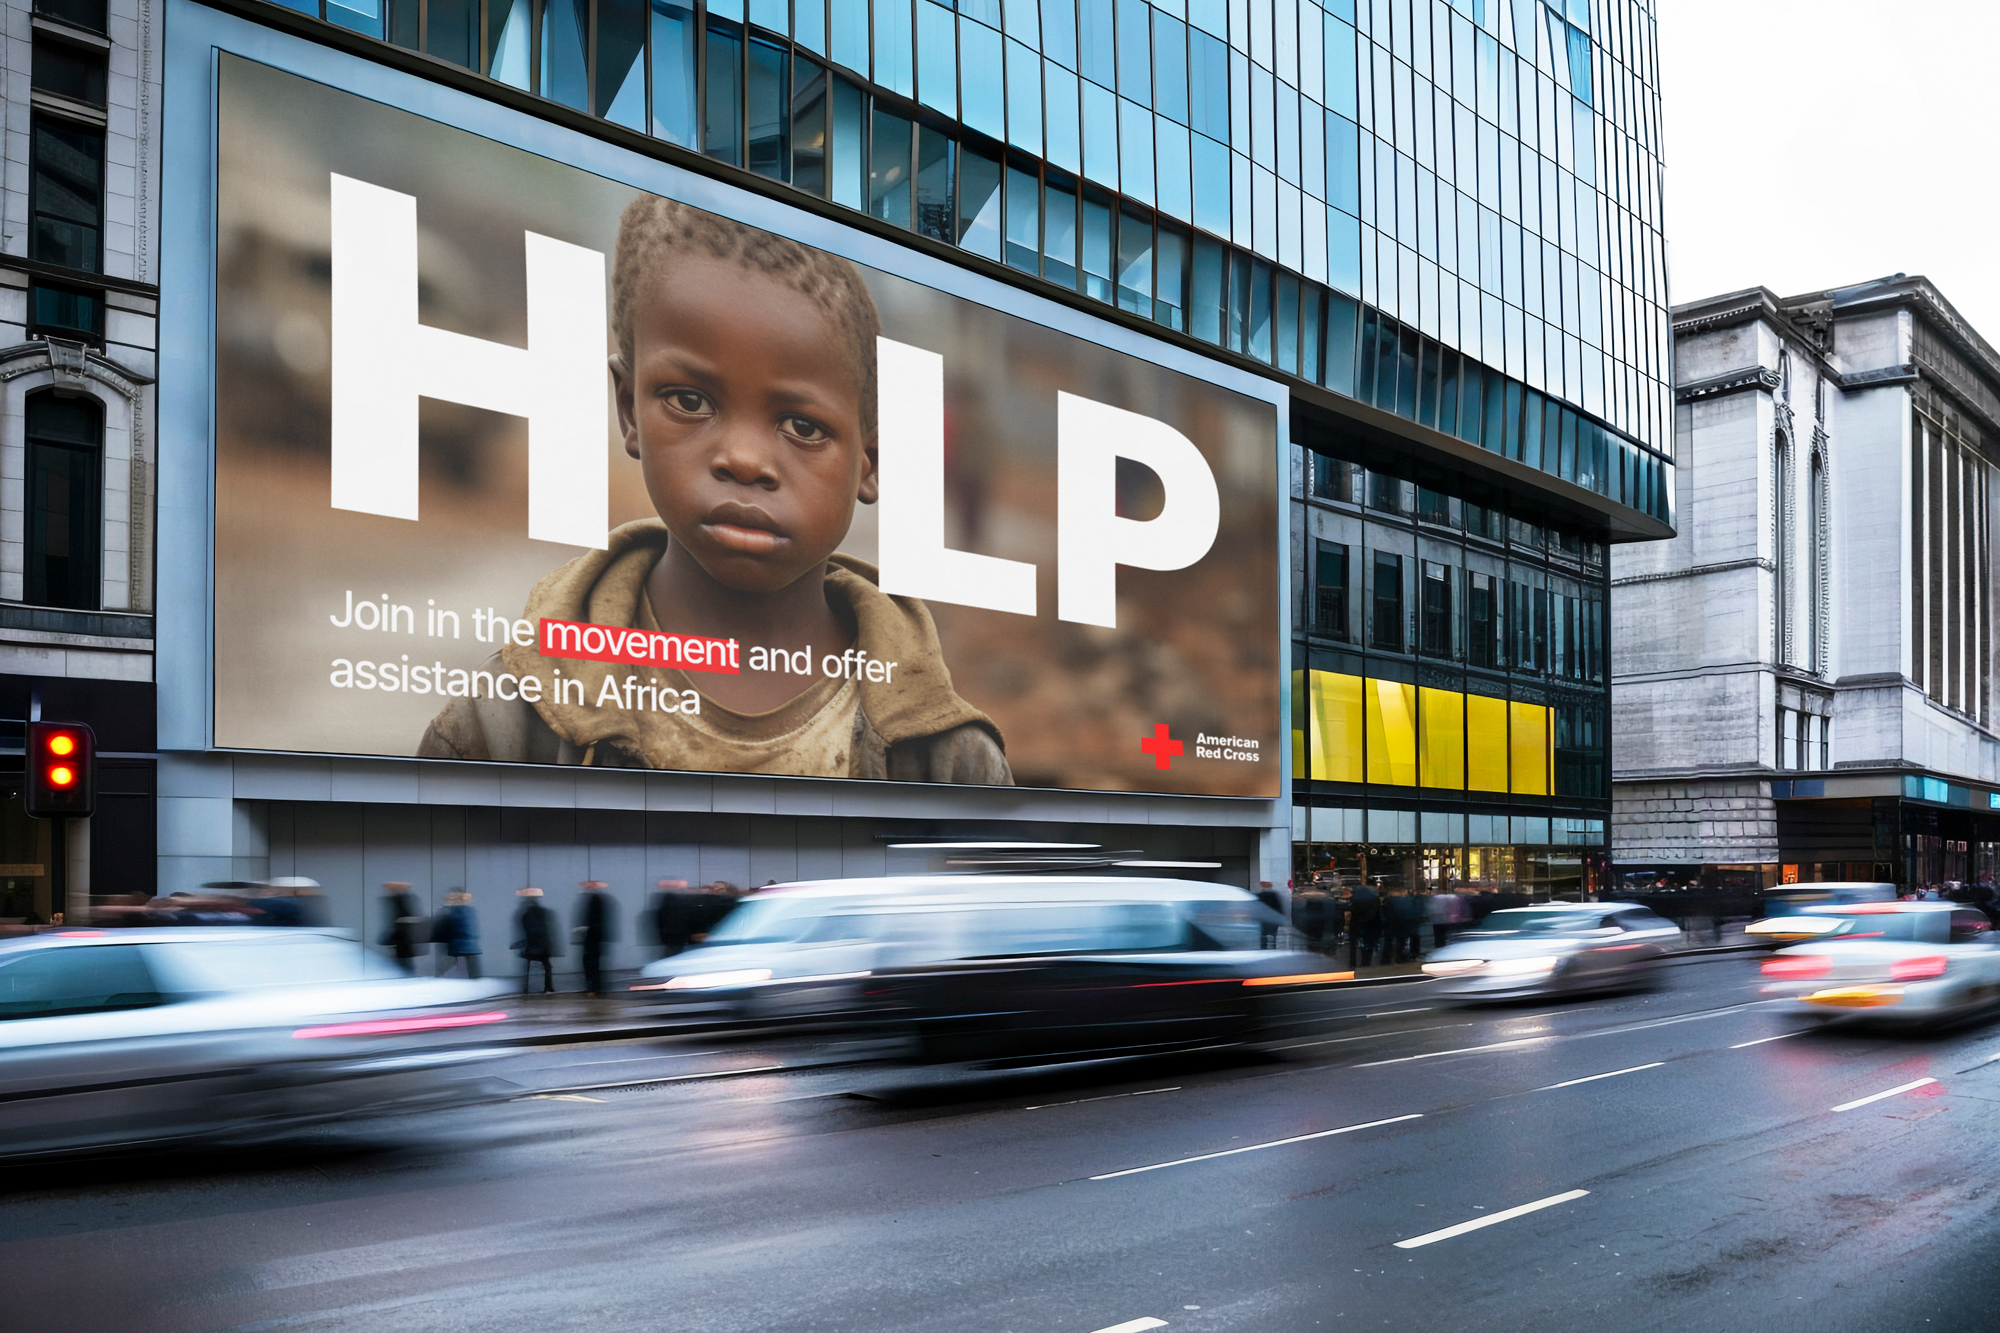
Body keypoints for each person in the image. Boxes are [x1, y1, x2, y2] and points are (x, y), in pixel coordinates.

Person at [416, 197, 1009, 784]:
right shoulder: (512, 720)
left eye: (803, 427)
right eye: (690, 401)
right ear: (629, 410)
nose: (744, 460)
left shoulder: (946, 759)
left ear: (868, 462)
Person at [574, 880, 619, 997]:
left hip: (593, 938)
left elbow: (593, 919)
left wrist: (585, 929)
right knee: (593, 964)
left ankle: (593, 988)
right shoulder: (599, 899)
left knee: (591, 964)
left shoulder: (594, 900)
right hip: (595, 938)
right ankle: (594, 987)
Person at [513, 887, 562, 993]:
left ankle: (525, 987)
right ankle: (548, 987)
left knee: (527, 967)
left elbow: (525, 930)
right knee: (547, 966)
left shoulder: (525, 914)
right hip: (542, 945)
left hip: (531, 945)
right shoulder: (543, 913)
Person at [379, 882, 427, 974]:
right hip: (403, 939)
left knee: (403, 963)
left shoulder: (400, 901)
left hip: (403, 939)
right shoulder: (402, 901)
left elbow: (399, 921)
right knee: (404, 962)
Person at [433, 890, 483, 978]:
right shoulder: (467, 910)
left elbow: (448, 925)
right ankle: (476, 981)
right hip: (465, 943)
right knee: (471, 965)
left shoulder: (453, 911)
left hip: (457, 942)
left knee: (449, 963)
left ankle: (438, 977)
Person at [649, 878, 698, 958]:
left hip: (670, 936)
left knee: (671, 954)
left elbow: (659, 920)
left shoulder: (664, 901)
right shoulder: (681, 902)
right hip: (678, 936)